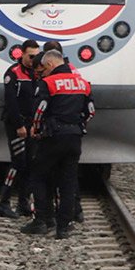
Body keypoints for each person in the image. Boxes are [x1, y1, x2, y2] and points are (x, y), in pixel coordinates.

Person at [21, 50, 94, 239]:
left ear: (51, 64)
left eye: (44, 68)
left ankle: (41, 221)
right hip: (74, 137)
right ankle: (64, 226)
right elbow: (91, 111)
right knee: (68, 181)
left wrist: (35, 129)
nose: (43, 73)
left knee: (39, 176)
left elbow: (39, 110)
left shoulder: (49, 83)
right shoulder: (83, 83)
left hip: (52, 137)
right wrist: (79, 125)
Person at [0, 39, 40, 218]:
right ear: (22, 54)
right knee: (18, 162)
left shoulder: (38, 73)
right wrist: (20, 125)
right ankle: (4, 202)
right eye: (31, 56)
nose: (33, 60)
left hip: (32, 125)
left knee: (30, 163)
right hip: (16, 124)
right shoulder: (13, 73)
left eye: (37, 56)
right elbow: (11, 102)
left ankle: (23, 201)